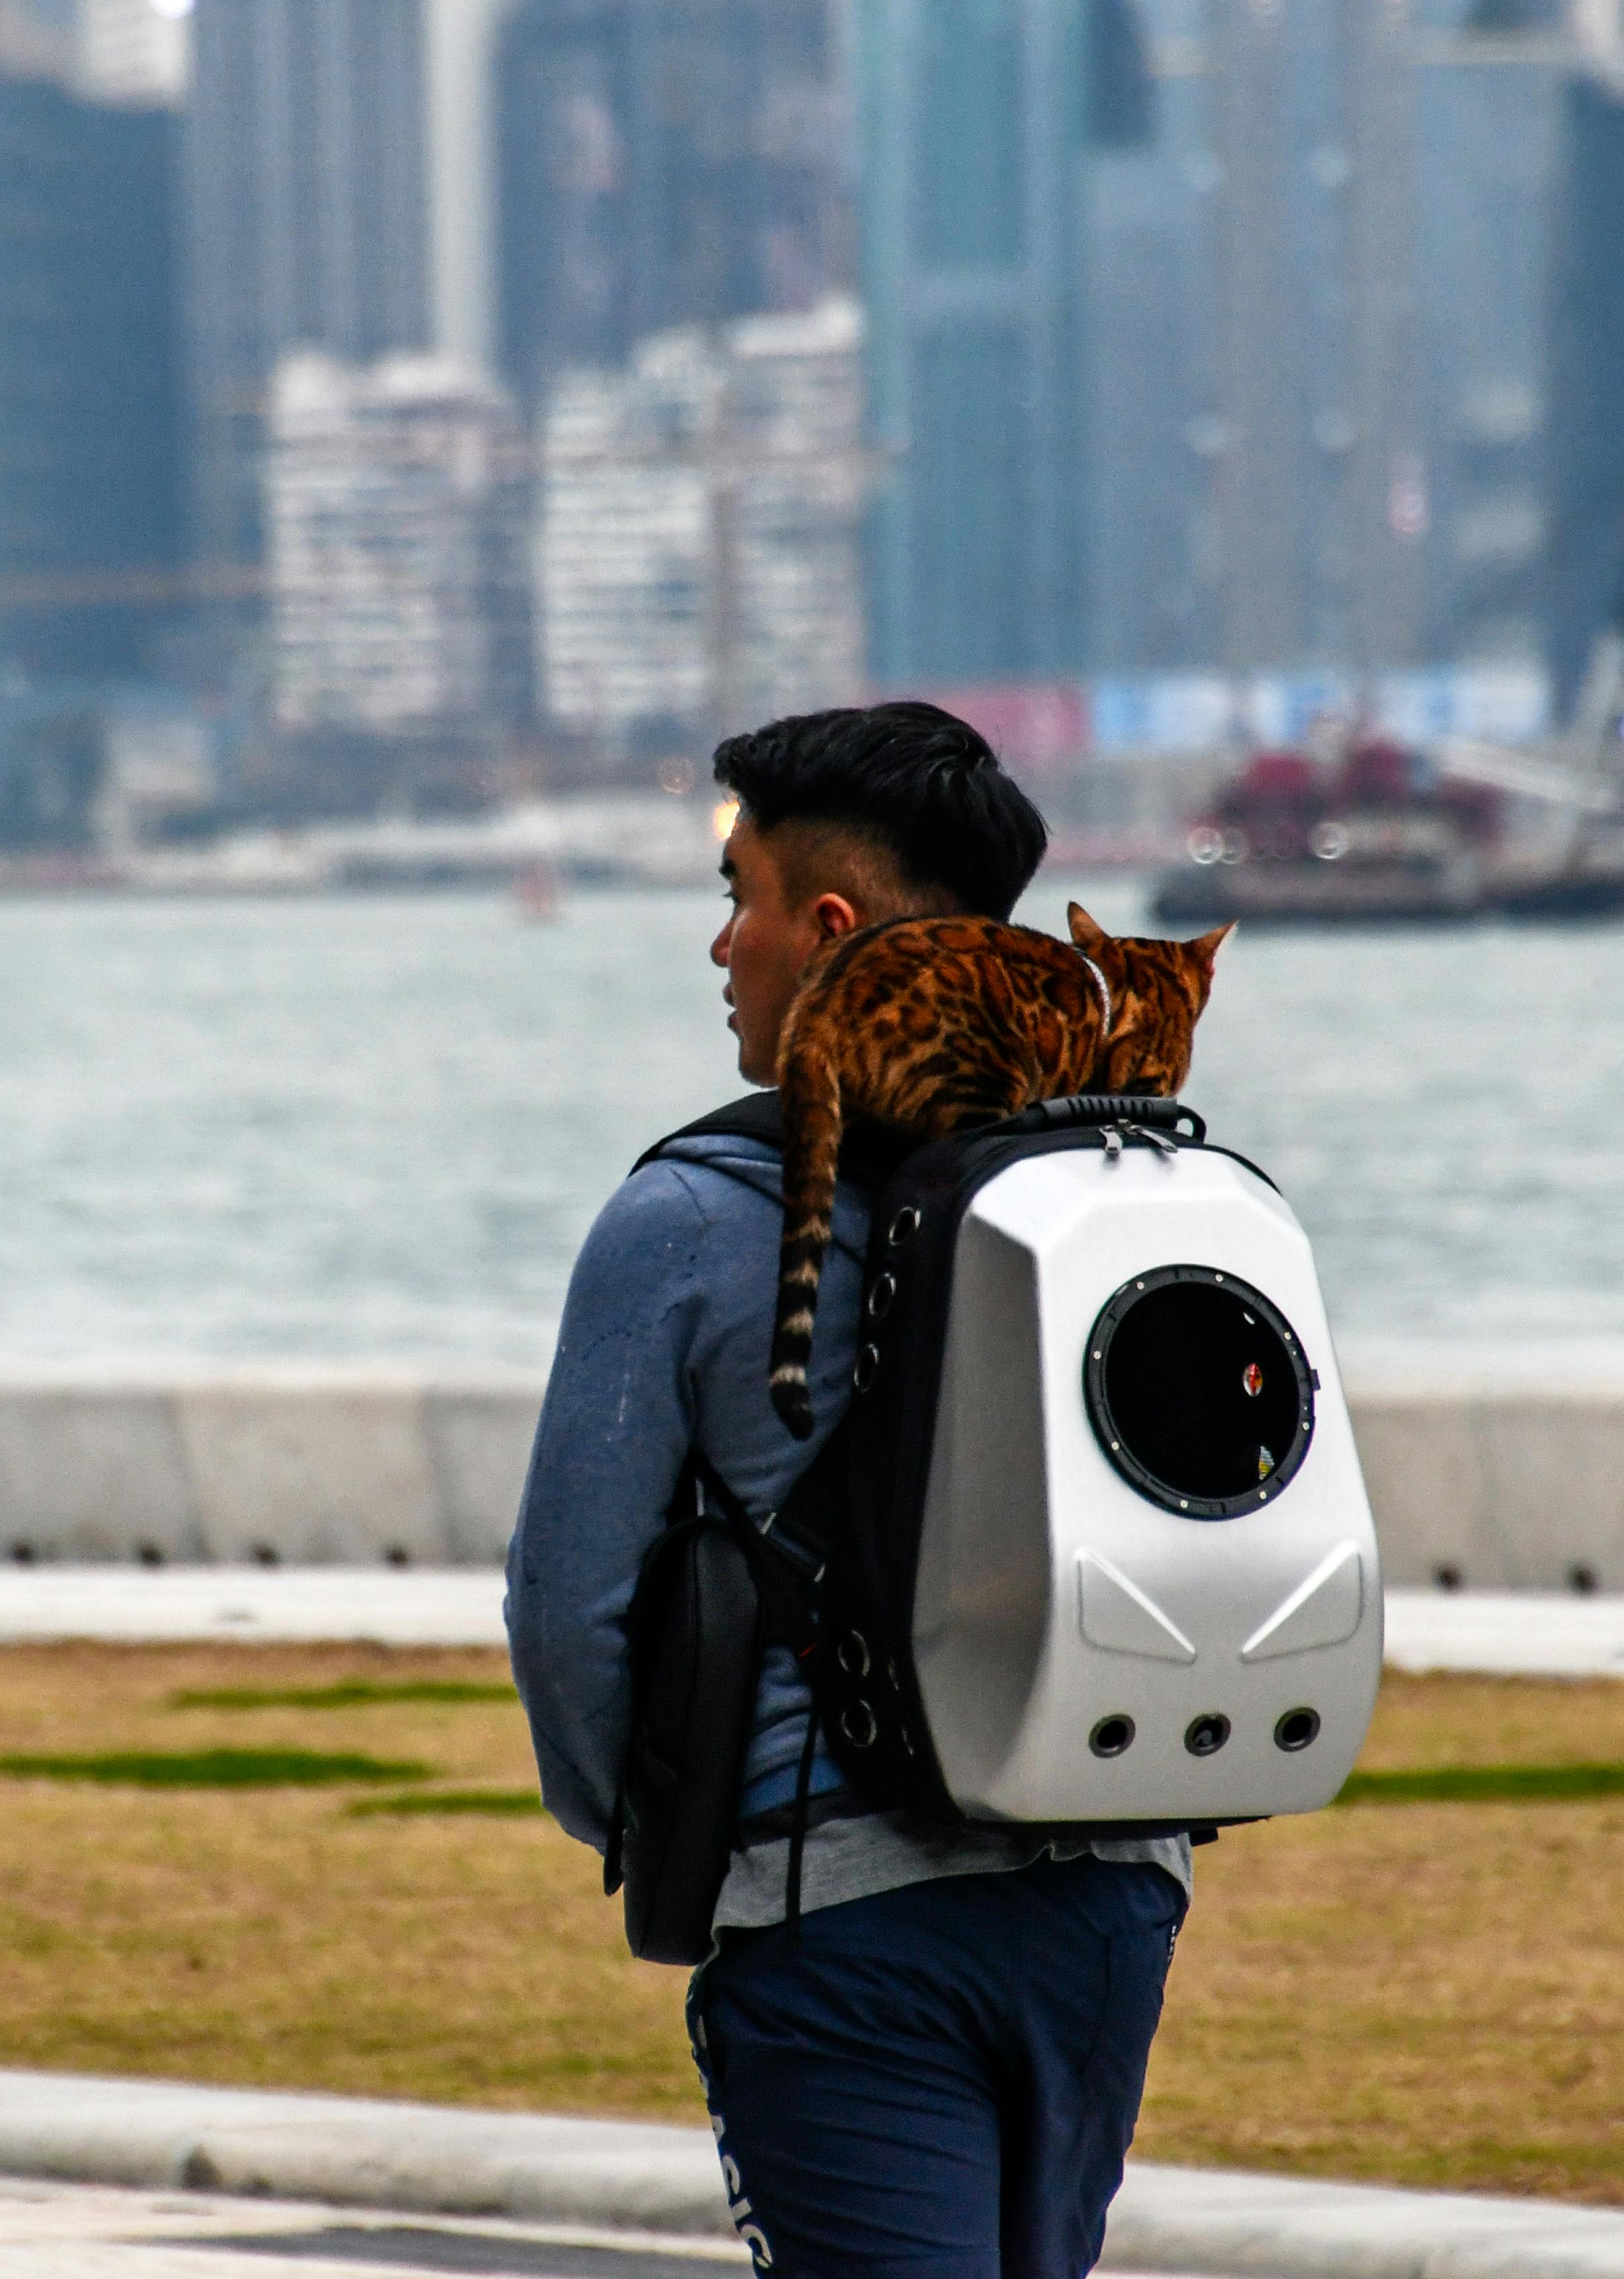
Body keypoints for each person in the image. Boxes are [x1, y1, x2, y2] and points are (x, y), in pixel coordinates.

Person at [505, 702, 1190, 2279]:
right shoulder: (1111, 1176)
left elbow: (568, 1612)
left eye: (735, 893)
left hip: (838, 1917)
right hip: (1114, 1899)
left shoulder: (685, 1214)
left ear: (824, 928)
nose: (717, 943)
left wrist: (670, 1832)